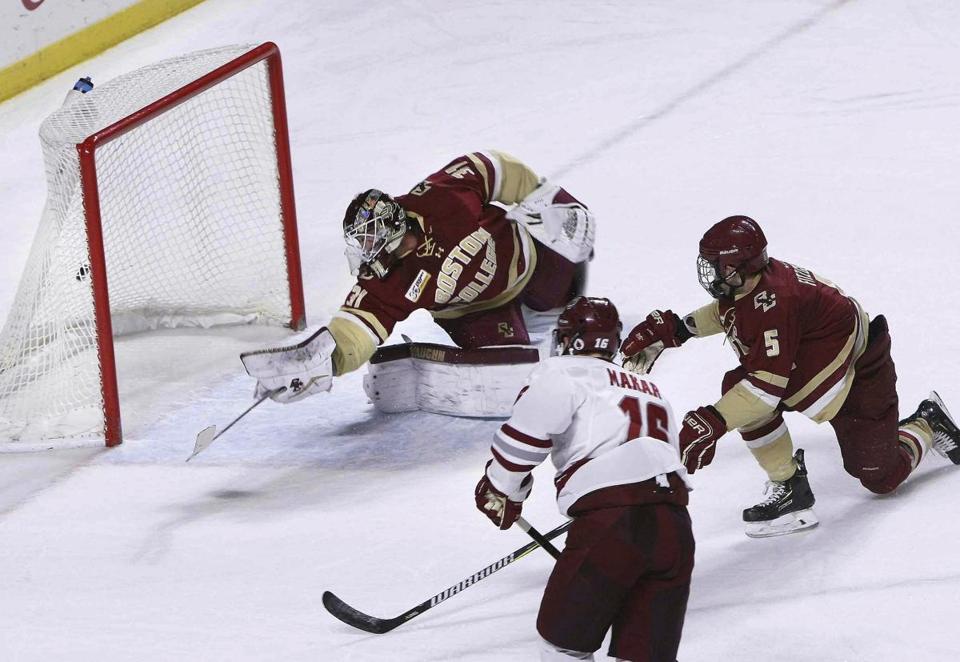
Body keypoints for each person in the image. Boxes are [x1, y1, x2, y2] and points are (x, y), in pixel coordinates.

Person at [620, 215, 960, 537]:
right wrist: (680, 329)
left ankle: (927, 424)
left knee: (879, 477)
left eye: (717, 265)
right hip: (811, 365)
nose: (710, 273)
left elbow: (767, 388)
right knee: (740, 392)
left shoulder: (774, 302)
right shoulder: (752, 283)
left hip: (858, 373)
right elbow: (731, 313)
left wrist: (714, 421)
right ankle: (790, 488)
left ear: (739, 266)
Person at [240, 151, 595, 415]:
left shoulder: (442, 197)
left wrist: (553, 200)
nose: (366, 252)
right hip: (475, 312)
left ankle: (550, 306)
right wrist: (322, 364)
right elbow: (354, 333)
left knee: (568, 294)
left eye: (370, 241)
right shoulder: (382, 279)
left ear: (395, 228)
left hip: (528, 261)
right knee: (510, 372)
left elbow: (498, 169)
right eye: (361, 244)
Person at [474, 297, 694, 662]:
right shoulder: (649, 389)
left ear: (570, 339)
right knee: (645, 655)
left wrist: (502, 489)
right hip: (675, 530)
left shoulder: (562, 372)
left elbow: (520, 445)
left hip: (612, 526)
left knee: (563, 645)